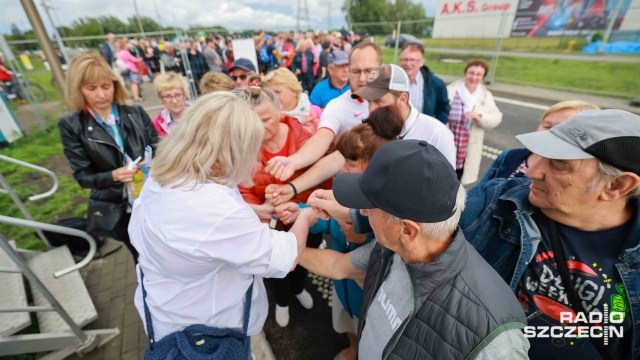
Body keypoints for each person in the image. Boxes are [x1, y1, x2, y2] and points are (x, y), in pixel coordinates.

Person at [294, 139, 529, 359]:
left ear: (408, 231)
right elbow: (337, 266)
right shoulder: (391, 249)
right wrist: (278, 249)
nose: (362, 212)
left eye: (370, 207)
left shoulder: (495, 341)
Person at [129, 91, 314, 347]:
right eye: (251, 150)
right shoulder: (211, 208)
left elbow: (201, 231)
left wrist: (254, 212)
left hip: (170, 310)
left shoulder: (166, 174)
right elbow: (286, 257)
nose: (255, 158)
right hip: (210, 330)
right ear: (221, 157)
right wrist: (305, 215)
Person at [460, 109, 640, 360]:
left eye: (558, 164)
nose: (532, 172)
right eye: (542, 156)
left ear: (615, 186)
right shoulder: (497, 204)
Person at [275, 106, 403, 360]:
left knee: (370, 337)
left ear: (375, 168)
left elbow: (340, 265)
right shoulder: (345, 191)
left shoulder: (386, 221)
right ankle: (353, 348)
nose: (341, 169)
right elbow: (326, 220)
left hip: (371, 303)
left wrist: (278, 248)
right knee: (347, 325)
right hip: (344, 292)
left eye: (350, 163)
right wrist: (301, 211)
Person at [238, 87, 330, 328]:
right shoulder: (247, 148)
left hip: (307, 222)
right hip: (270, 229)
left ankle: (299, 289)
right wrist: (260, 208)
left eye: (266, 119)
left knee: (301, 262)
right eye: (253, 121)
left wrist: (295, 202)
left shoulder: (305, 138)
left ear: (280, 110)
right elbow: (243, 188)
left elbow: (323, 182)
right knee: (274, 270)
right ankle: (281, 301)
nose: (260, 128)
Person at [58, 53, 158, 261]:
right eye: (91, 88)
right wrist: (113, 175)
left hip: (152, 196)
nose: (101, 94)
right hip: (119, 207)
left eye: (106, 86)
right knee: (141, 257)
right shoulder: (71, 125)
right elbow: (83, 176)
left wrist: (153, 163)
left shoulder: (134, 111)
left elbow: (157, 146)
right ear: (79, 90)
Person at [264, 42, 382, 183]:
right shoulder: (338, 106)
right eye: (356, 72)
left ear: (381, 69)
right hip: (354, 186)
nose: (362, 78)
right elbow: (322, 138)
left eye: (369, 71)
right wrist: (293, 161)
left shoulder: (396, 102)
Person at [351, 64, 456, 167]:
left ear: (402, 99)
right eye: (369, 101)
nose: (371, 109)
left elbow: (448, 182)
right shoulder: (370, 126)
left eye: (378, 101)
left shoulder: (436, 134)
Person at [479, 100, 600, 183]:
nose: (549, 133)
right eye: (546, 126)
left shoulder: (585, 177)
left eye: (562, 129)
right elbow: (479, 194)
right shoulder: (509, 156)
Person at [447, 59, 503, 185]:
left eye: (478, 74)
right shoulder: (450, 91)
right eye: (471, 73)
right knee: (441, 176)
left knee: (457, 182)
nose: (474, 77)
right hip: (448, 144)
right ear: (465, 73)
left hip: (466, 150)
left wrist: (479, 117)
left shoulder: (485, 96)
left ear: (483, 77)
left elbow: (496, 117)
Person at [399, 42, 450, 125]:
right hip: (396, 133)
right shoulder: (390, 81)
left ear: (421, 62)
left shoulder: (436, 84)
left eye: (412, 60)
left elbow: (443, 109)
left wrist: (436, 129)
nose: (408, 64)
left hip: (423, 134)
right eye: (405, 59)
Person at [263, 67, 320, 134]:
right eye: (269, 93)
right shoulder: (265, 117)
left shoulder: (315, 111)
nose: (272, 97)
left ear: (294, 90)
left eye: (277, 92)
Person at [151, 72, 189, 139]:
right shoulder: (155, 125)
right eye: (167, 96)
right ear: (160, 98)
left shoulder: (201, 114)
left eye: (178, 95)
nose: (174, 101)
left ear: (184, 94)